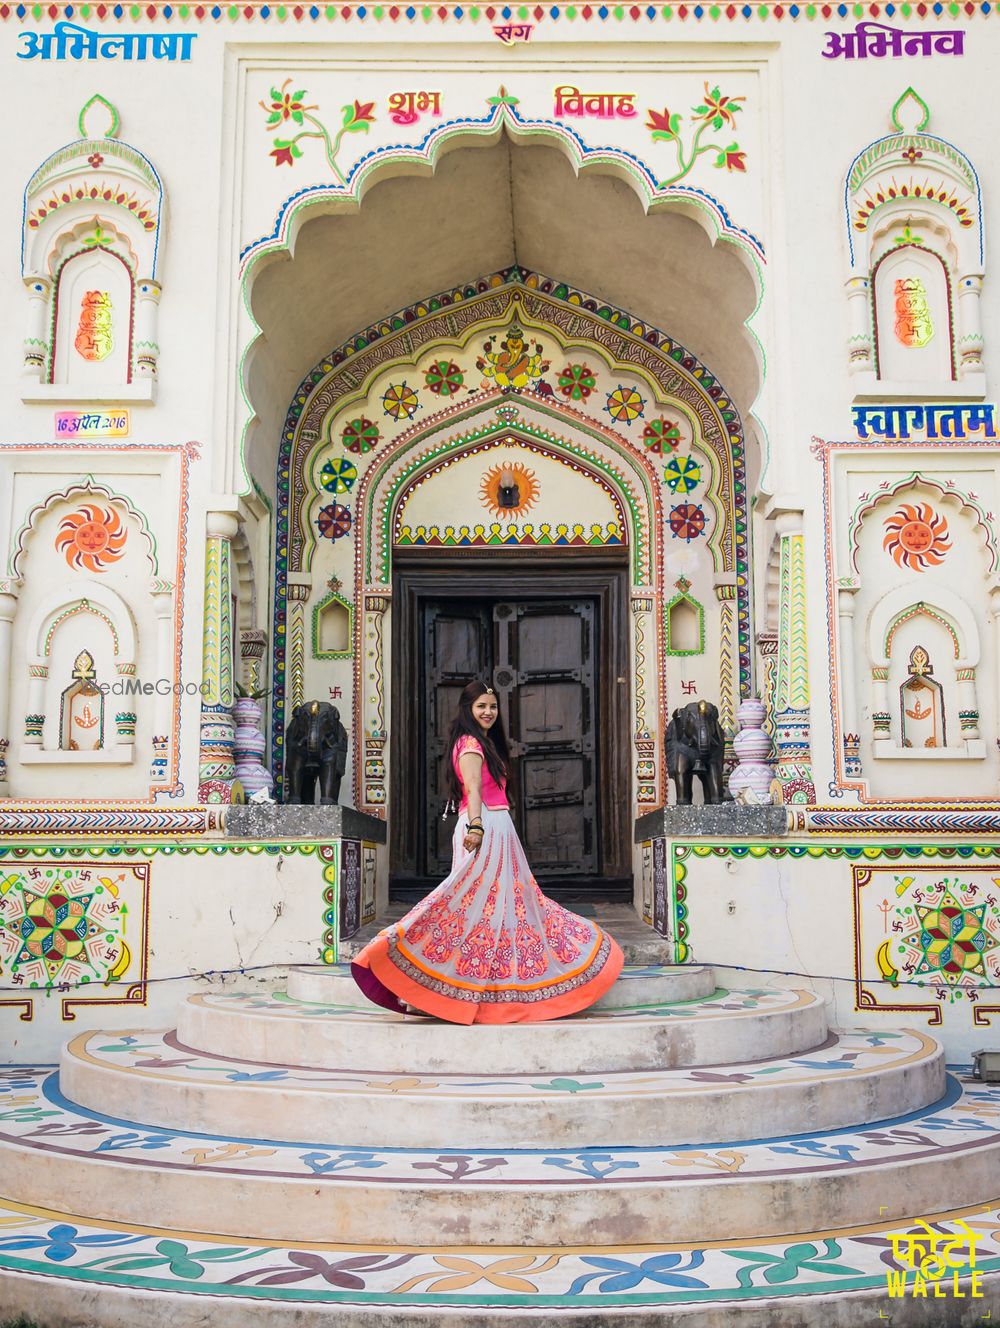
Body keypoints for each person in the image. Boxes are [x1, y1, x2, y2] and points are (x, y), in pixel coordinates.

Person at [351, 680, 623, 1023]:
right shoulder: (468, 743)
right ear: (468, 708)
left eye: (492, 707)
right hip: (485, 827)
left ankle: (470, 986)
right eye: (481, 706)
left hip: (494, 826)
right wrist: (477, 827)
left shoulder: (482, 743)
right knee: (468, 905)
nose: (488, 712)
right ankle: (409, 969)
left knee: (493, 909)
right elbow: (474, 787)